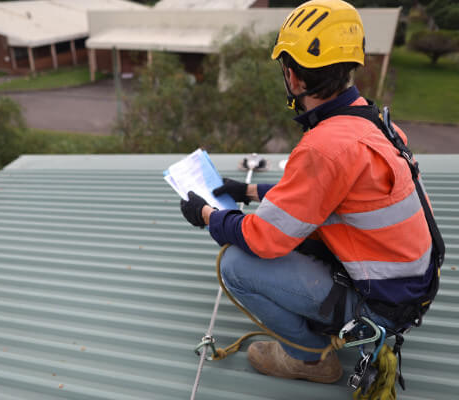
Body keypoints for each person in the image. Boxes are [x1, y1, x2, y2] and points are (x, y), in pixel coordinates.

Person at [179, 0, 440, 384]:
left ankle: (310, 360)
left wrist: (208, 216)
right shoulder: (373, 123)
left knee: (234, 265)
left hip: (381, 308)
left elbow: (264, 238)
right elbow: (315, 197)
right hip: (410, 293)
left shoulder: (325, 146)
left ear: (294, 77)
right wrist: (248, 190)